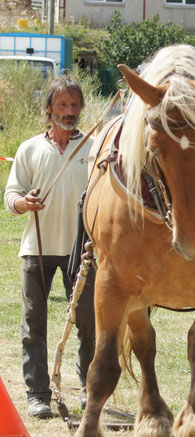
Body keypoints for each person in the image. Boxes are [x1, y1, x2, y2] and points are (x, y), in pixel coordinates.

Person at [4, 74, 95, 419]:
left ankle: (89, 387)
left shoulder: (93, 146)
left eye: (74, 105)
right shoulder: (29, 148)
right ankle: (37, 394)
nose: (69, 111)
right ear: (48, 108)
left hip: (83, 251)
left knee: (89, 321)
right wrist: (23, 203)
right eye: (62, 105)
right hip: (36, 248)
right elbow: (11, 194)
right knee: (34, 323)